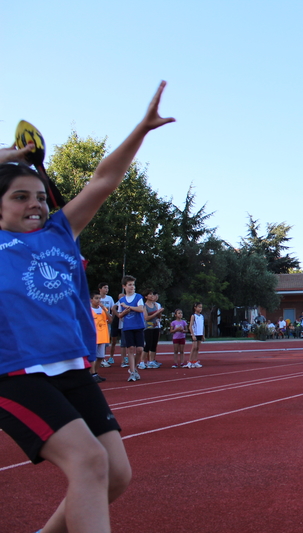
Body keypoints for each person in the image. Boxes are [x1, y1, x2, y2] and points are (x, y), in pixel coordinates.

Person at [0, 81, 172, 532]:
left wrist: (141, 130)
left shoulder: (61, 231)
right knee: (89, 461)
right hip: (16, 374)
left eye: (39, 196)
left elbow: (103, 179)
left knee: (115, 475)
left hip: (71, 370)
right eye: (20, 197)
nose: (35, 204)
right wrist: (9, 157)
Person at [118, 275, 146, 381]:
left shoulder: (138, 297)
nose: (132, 287)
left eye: (133, 285)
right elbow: (120, 315)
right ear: (124, 286)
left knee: (140, 349)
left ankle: (134, 367)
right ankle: (132, 371)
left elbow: (140, 309)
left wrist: (128, 307)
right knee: (130, 349)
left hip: (138, 325)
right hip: (128, 327)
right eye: (129, 285)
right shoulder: (122, 300)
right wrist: (124, 311)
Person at [90, 290, 110, 383]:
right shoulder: (89, 310)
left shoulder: (103, 309)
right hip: (93, 336)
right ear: (91, 300)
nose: (98, 300)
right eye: (96, 298)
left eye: (99, 298)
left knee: (101, 356)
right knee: (93, 357)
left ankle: (96, 373)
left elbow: (110, 320)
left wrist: (104, 310)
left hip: (103, 336)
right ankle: (92, 373)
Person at [143, 289, 164, 369]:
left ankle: (151, 361)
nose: (152, 296)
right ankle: (142, 361)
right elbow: (146, 318)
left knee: (153, 345)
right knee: (148, 344)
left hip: (156, 326)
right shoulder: (144, 306)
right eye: (150, 294)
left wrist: (159, 312)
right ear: (146, 297)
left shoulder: (155, 305)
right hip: (148, 327)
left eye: (153, 294)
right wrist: (157, 312)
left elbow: (158, 316)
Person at [97, 283, 115, 368]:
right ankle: (99, 359)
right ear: (100, 289)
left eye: (107, 288)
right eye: (105, 288)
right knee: (98, 342)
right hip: (98, 323)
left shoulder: (109, 298)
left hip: (106, 323)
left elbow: (113, 309)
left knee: (105, 343)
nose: (106, 289)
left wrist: (111, 318)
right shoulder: (97, 298)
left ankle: (102, 358)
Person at [188, 302, 204, 368]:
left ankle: (195, 361)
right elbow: (190, 326)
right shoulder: (193, 316)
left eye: (201, 307)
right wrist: (193, 335)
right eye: (199, 307)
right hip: (195, 334)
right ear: (195, 308)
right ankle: (190, 361)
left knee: (197, 348)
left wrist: (203, 335)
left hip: (200, 334)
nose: (200, 308)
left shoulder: (202, 316)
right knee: (194, 348)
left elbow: (202, 326)